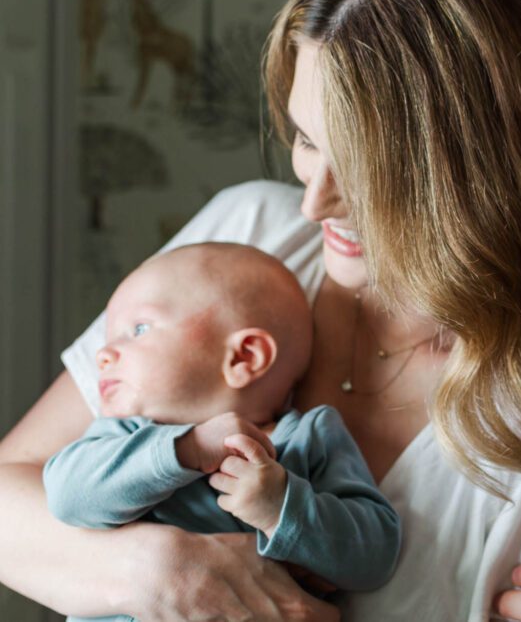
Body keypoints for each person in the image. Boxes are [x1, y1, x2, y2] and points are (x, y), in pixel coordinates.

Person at [0, 0, 521, 620]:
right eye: (307, 140)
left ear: (488, 172)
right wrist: (162, 575)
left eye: (372, 172)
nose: (316, 202)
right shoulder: (247, 239)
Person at [43, 243, 401, 622]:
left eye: (138, 329)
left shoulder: (308, 439)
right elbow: (67, 496)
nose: (105, 353)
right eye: (109, 336)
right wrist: (184, 450)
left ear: (244, 357)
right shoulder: (123, 436)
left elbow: (375, 553)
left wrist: (282, 507)